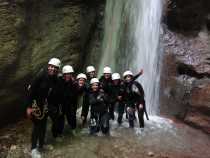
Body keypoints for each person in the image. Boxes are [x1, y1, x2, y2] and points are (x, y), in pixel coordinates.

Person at [26, 58, 61, 158]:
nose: (52, 69)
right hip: (36, 105)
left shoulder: (55, 79)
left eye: (55, 68)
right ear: (48, 66)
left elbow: (54, 93)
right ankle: (33, 149)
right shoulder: (41, 76)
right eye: (51, 66)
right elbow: (31, 91)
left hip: (45, 106)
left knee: (44, 126)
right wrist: (28, 107)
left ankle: (41, 145)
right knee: (37, 127)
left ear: (57, 69)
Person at [58, 65, 78, 135]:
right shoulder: (59, 81)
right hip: (61, 104)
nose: (68, 75)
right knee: (60, 119)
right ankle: (59, 133)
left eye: (70, 74)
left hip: (70, 104)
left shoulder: (73, 83)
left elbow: (75, 96)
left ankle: (73, 129)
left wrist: (74, 107)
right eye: (67, 74)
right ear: (64, 74)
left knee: (72, 118)